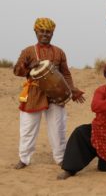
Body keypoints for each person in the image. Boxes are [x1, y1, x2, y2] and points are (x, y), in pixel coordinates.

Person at [13, 17, 85, 169]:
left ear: (52, 33)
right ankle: (24, 158)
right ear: (36, 32)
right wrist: (28, 67)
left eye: (49, 32)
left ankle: (60, 158)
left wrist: (72, 90)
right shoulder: (28, 51)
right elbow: (16, 70)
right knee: (28, 128)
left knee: (58, 128)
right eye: (42, 31)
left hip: (56, 94)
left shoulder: (59, 52)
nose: (45, 34)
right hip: (33, 94)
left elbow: (66, 74)